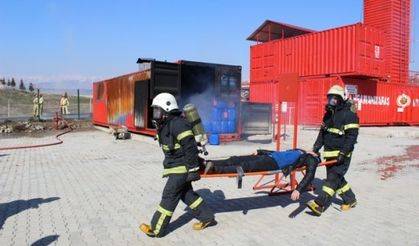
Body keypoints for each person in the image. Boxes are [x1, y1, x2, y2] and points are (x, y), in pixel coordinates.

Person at [140, 93, 216, 238]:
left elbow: (189, 147)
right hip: (176, 165)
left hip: (182, 167)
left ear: (167, 109)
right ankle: (207, 217)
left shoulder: (178, 124)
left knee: (169, 195)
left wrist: (193, 170)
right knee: (186, 194)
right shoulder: (168, 124)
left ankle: (157, 229)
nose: (155, 114)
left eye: (157, 110)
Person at [306, 85, 359, 216]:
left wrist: (343, 153)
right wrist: (315, 148)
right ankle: (350, 200)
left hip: (342, 155)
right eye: (330, 99)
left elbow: (351, 138)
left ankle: (319, 204)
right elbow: (322, 134)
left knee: (331, 179)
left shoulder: (350, 115)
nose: (331, 101)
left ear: (341, 99)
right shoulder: (328, 115)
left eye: (334, 99)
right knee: (338, 179)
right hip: (329, 154)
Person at [204, 149, 321, 201]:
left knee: (246, 166)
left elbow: (310, 174)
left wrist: (298, 190)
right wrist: (261, 151)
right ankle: (208, 164)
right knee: (237, 159)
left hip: (273, 164)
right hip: (268, 157)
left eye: (314, 150)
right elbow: (278, 152)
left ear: (316, 154)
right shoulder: (300, 151)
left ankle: (215, 169)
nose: (312, 149)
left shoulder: (312, 159)